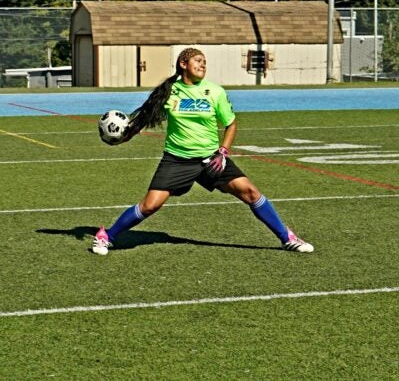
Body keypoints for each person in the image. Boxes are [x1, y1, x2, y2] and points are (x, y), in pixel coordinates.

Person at [91, 48, 313, 255]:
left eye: (205, 62)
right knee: (150, 205)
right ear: (183, 64)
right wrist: (122, 137)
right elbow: (144, 119)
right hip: (177, 160)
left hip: (211, 159)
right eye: (198, 61)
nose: (203, 65)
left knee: (250, 192)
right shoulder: (169, 92)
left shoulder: (214, 91)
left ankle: (287, 237)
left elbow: (231, 123)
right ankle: (106, 236)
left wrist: (223, 151)